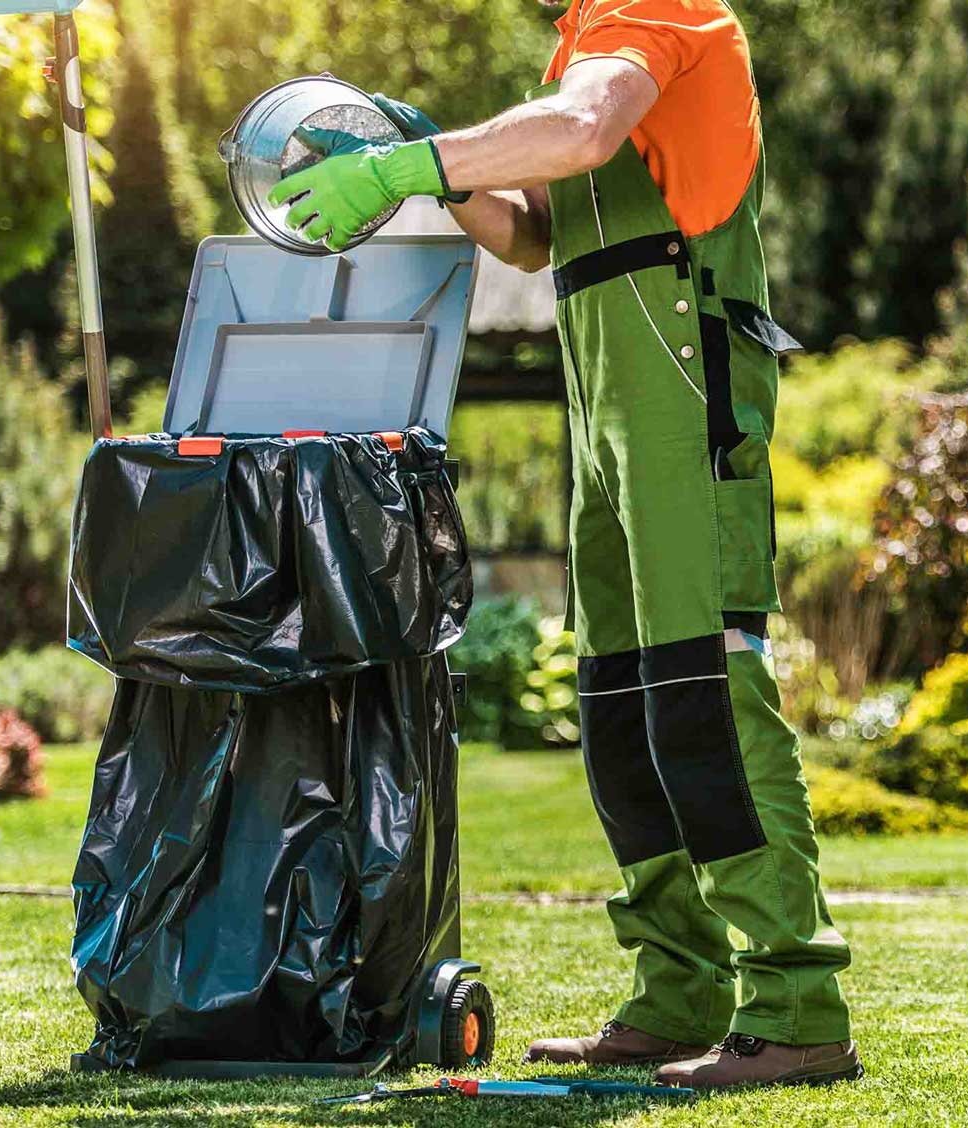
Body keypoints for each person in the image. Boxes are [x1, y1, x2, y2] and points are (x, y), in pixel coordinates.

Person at [267, 0, 858, 1090]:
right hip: (601, 393)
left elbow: (585, 129)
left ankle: (796, 1000)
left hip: (683, 368)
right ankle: (678, 988)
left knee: (704, 685)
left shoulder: (658, 9)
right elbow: (533, 238)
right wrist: (435, 172)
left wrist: (410, 164)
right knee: (622, 700)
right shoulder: (582, 30)